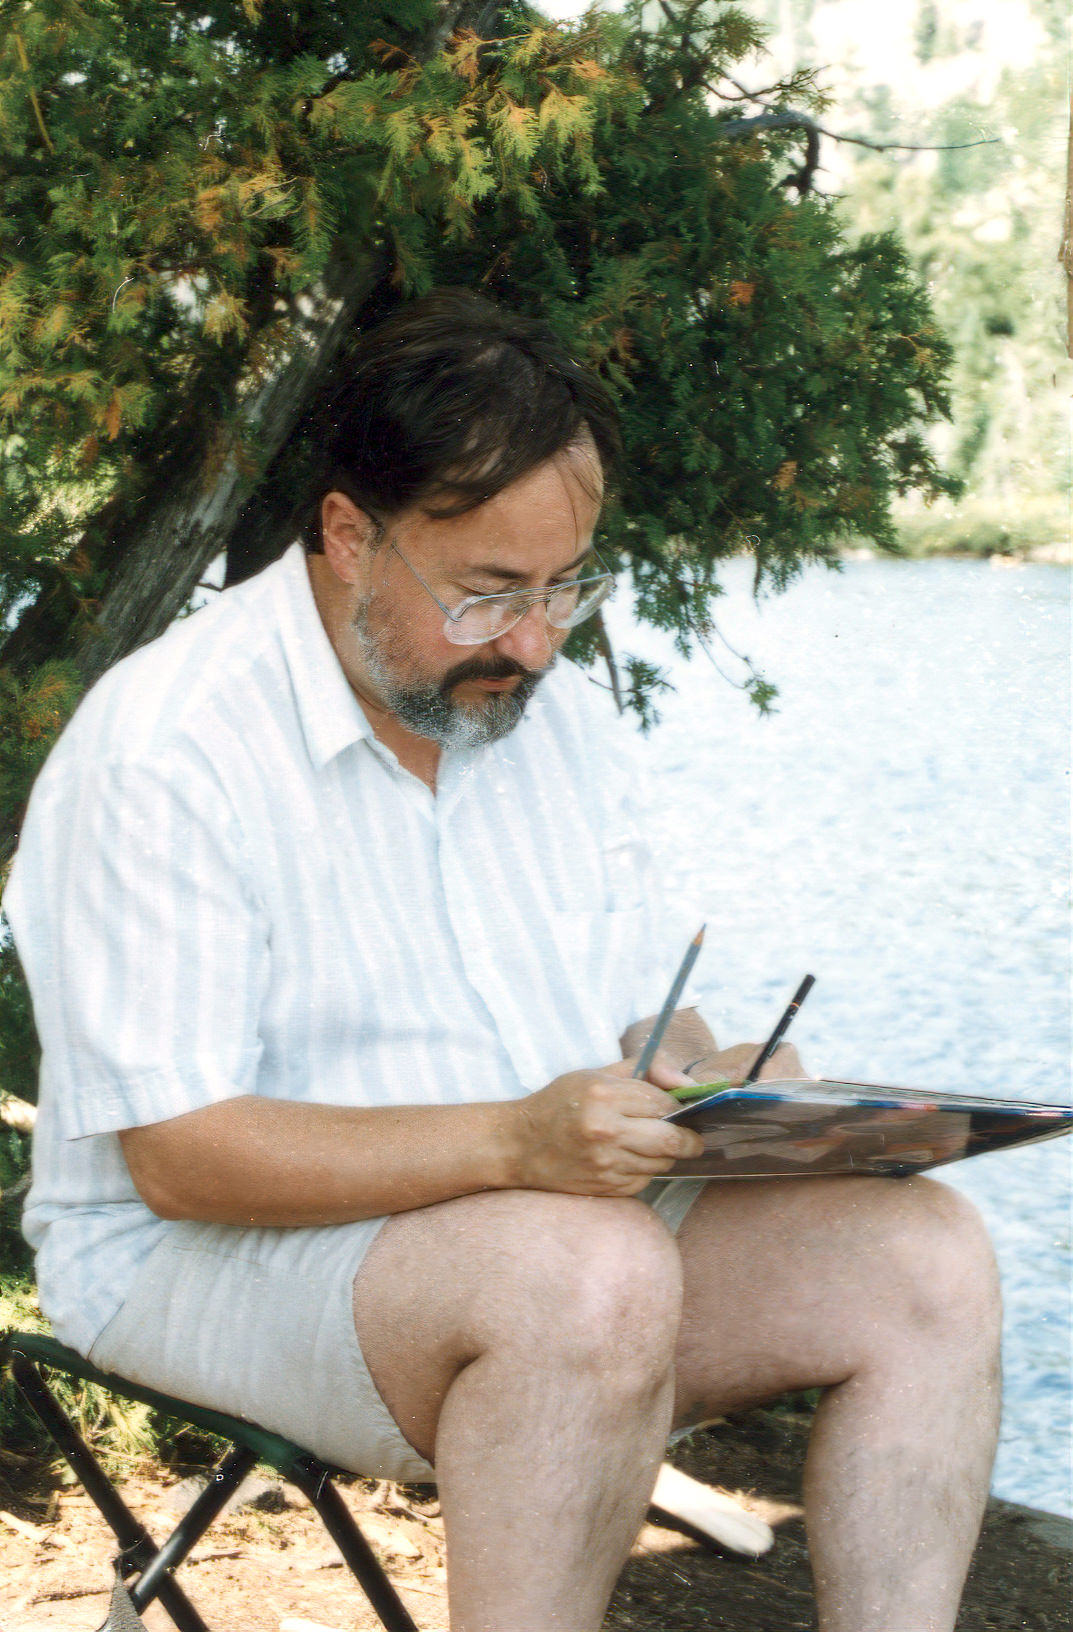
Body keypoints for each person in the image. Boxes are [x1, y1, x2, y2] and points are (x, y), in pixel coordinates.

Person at [5, 289, 1001, 1632]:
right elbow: (181, 1156)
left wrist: (726, 1091)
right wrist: (522, 1148)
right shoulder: (169, 746)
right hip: (198, 1257)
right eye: (486, 596)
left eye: (563, 588)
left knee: (924, 1256)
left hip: (542, 1230)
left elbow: (649, 1013)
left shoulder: (557, 714)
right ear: (349, 535)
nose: (534, 643)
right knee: (584, 1278)